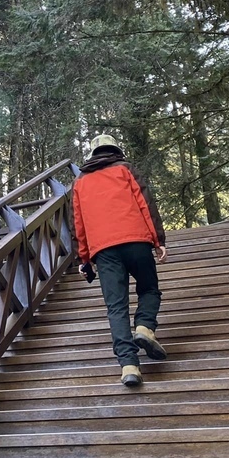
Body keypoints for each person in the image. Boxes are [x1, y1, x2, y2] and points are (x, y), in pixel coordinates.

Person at [73, 134, 168, 387]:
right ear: (116, 149)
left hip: (104, 251)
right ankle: (145, 328)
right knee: (149, 288)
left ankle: (129, 366)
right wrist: (158, 240)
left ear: (93, 154)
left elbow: (79, 224)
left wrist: (84, 258)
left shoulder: (80, 182)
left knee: (116, 308)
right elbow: (145, 204)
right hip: (136, 240)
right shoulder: (126, 170)